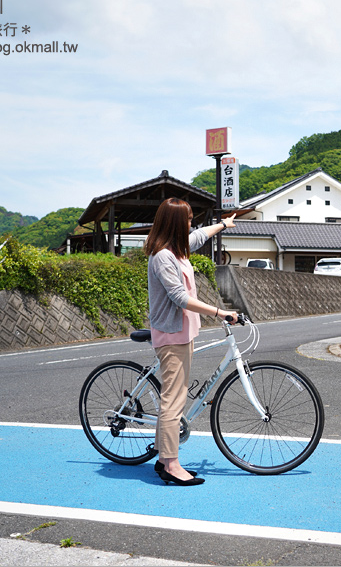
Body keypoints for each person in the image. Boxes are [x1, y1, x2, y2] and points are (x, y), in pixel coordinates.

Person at [144, 198, 238, 486]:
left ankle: (163, 459)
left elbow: (199, 236)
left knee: (175, 396)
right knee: (173, 400)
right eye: (186, 220)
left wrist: (223, 225)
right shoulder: (163, 257)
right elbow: (179, 297)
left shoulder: (178, 249)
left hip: (184, 333)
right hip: (171, 336)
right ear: (175, 224)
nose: (190, 224)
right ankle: (171, 465)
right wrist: (221, 312)